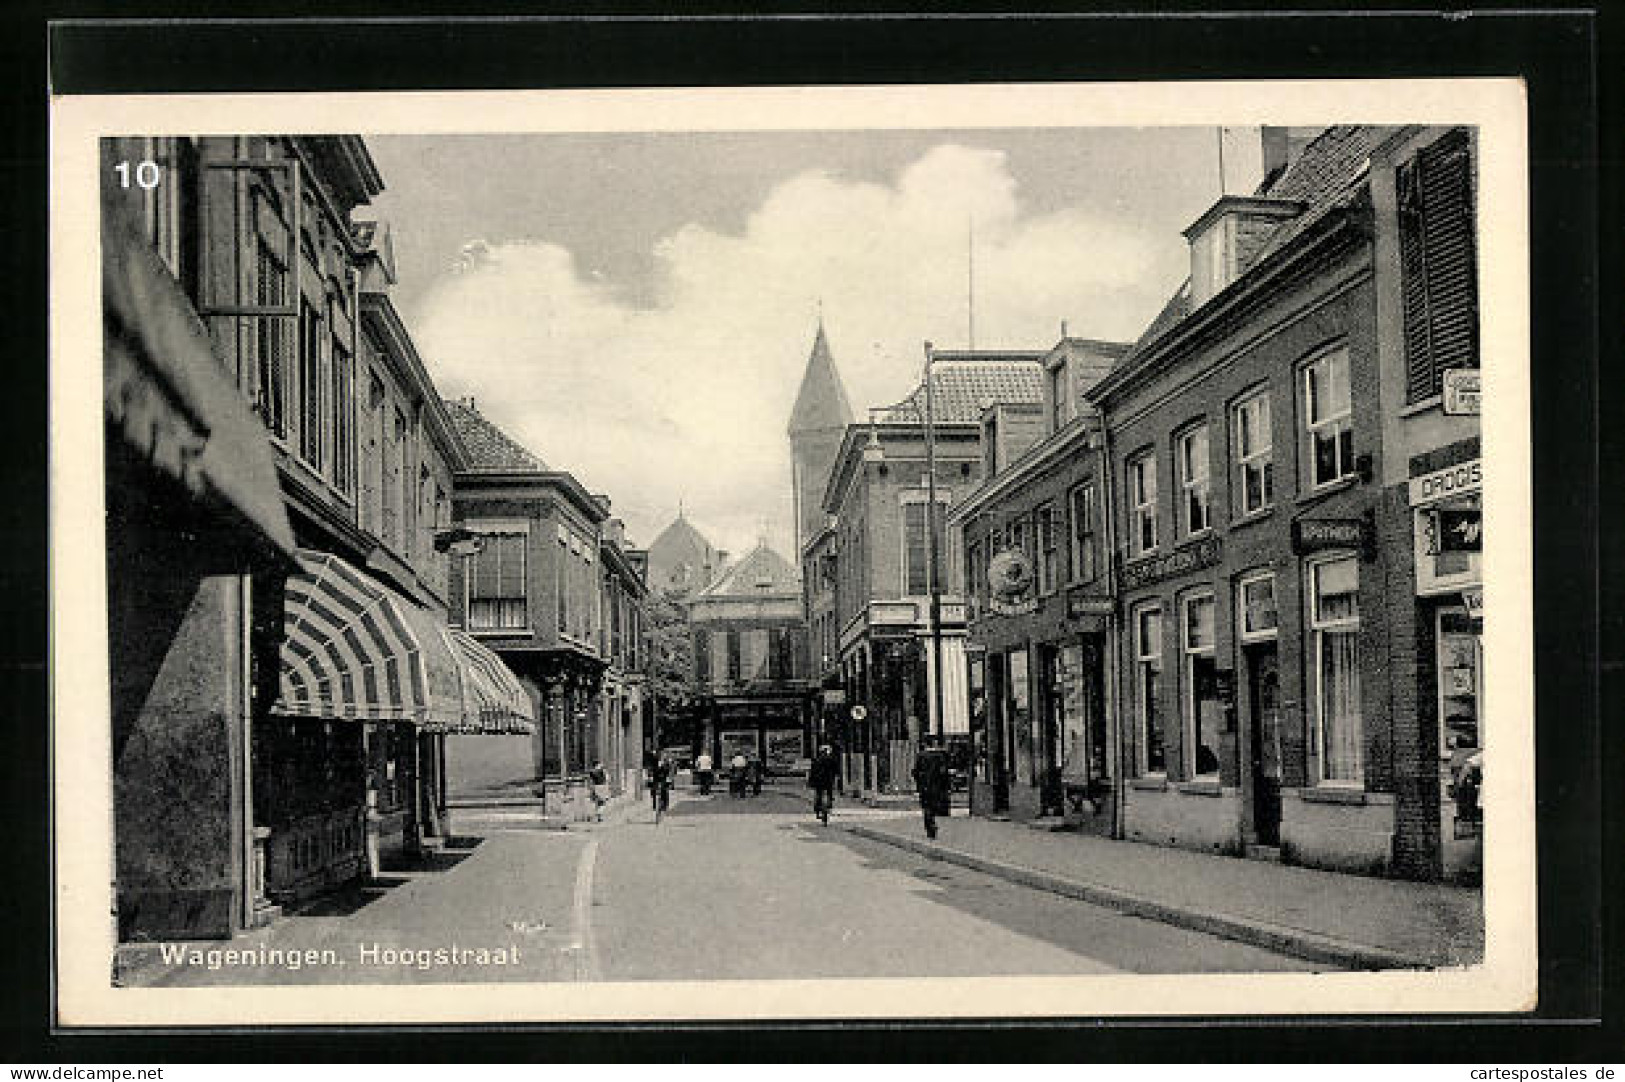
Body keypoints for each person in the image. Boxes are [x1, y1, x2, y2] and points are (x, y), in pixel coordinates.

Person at [911, 736, 951, 840]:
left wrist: (919, 783)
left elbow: (915, 772)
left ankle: (930, 827)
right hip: (938, 787)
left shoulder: (921, 756)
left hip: (925, 787)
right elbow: (944, 772)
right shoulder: (940, 756)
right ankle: (932, 825)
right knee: (935, 805)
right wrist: (946, 786)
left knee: (926, 807)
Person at [807, 744, 840, 825]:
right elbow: (837, 771)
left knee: (819, 794)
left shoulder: (816, 760)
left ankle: (818, 809)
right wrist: (837, 778)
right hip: (828, 781)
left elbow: (812, 772)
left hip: (819, 782)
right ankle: (828, 806)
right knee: (829, 794)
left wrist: (810, 782)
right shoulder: (832, 759)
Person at [650, 752, 673, 822]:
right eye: (660, 757)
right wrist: (650, 776)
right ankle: (655, 805)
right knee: (653, 790)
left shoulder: (667, 763)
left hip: (664, 779)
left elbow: (670, 771)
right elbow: (651, 770)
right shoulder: (654, 762)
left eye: (662, 757)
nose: (661, 758)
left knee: (665, 791)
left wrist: (669, 777)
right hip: (656, 779)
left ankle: (665, 805)